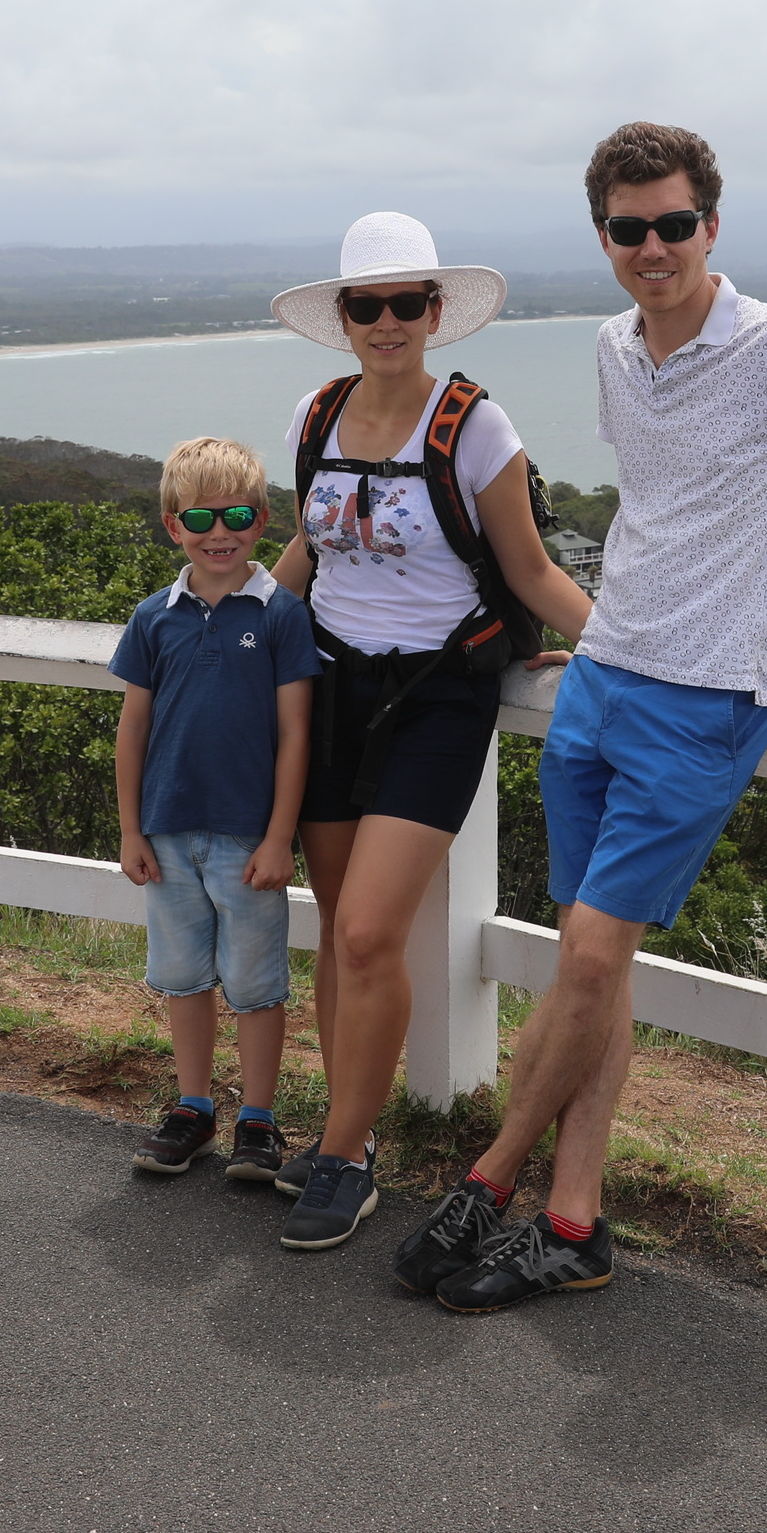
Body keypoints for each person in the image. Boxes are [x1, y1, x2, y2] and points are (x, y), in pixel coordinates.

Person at [395, 122, 767, 1313]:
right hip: (604, 675)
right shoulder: (614, 344)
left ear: (713, 223)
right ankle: (572, 1221)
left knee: (594, 955)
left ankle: (488, 1179)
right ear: (603, 236)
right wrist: (601, 626)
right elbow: (654, 511)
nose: (652, 246)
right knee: (587, 972)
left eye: (674, 223)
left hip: (707, 698)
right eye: (628, 228)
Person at [262, 212, 598, 1252]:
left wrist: (630, 648)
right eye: (368, 304)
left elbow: (533, 570)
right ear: (344, 317)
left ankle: (346, 1152)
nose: (389, 320)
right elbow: (308, 554)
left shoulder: (475, 429)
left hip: (439, 694)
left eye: (409, 301)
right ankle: (343, 1138)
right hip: (326, 685)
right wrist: (216, 632)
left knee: (370, 929)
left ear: (437, 312)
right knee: (337, 934)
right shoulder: (315, 417)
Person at [111, 438, 321, 1183]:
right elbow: (132, 729)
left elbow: (296, 734)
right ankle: (193, 1107)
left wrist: (278, 838)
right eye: (199, 516)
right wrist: (133, 829)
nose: (218, 531)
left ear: (261, 521)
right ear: (174, 526)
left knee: (258, 985)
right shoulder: (153, 618)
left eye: (236, 514)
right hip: (167, 835)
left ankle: (258, 1119)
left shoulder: (281, 615)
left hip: (246, 838)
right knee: (183, 979)